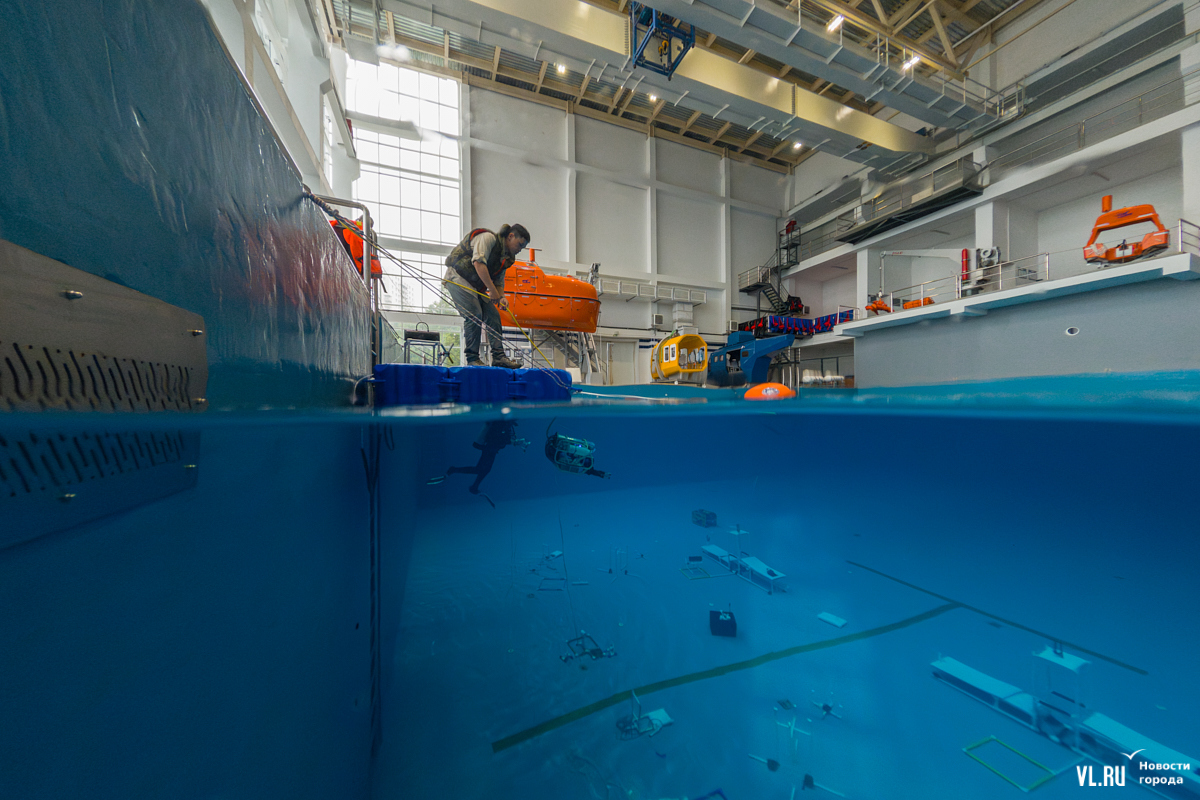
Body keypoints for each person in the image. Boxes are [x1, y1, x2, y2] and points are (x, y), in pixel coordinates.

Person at [443, 224, 531, 368]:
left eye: (523, 247)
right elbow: (478, 264)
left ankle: (499, 357)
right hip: (458, 277)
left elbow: (499, 281)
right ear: (510, 236)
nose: (520, 249)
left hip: (476, 285)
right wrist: (492, 291)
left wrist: (501, 296)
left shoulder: (505, 258)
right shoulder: (488, 238)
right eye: (520, 244)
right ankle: (472, 358)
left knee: (493, 316)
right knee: (474, 314)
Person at [426, 420, 527, 507]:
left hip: (492, 449)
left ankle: (473, 485)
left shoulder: (505, 424)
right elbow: (498, 438)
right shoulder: (501, 424)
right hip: (490, 448)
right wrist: (513, 442)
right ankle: (456, 472)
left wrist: (514, 442)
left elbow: (503, 438)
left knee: (484, 470)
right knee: (480, 469)